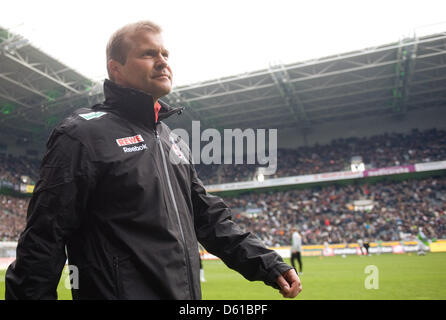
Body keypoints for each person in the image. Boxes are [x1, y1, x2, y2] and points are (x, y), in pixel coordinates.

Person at [5, 20, 301, 300]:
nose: (162, 61)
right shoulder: (82, 134)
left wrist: (266, 262)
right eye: (148, 54)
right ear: (116, 69)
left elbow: (208, 219)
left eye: (165, 53)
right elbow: (43, 238)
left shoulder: (172, 139)